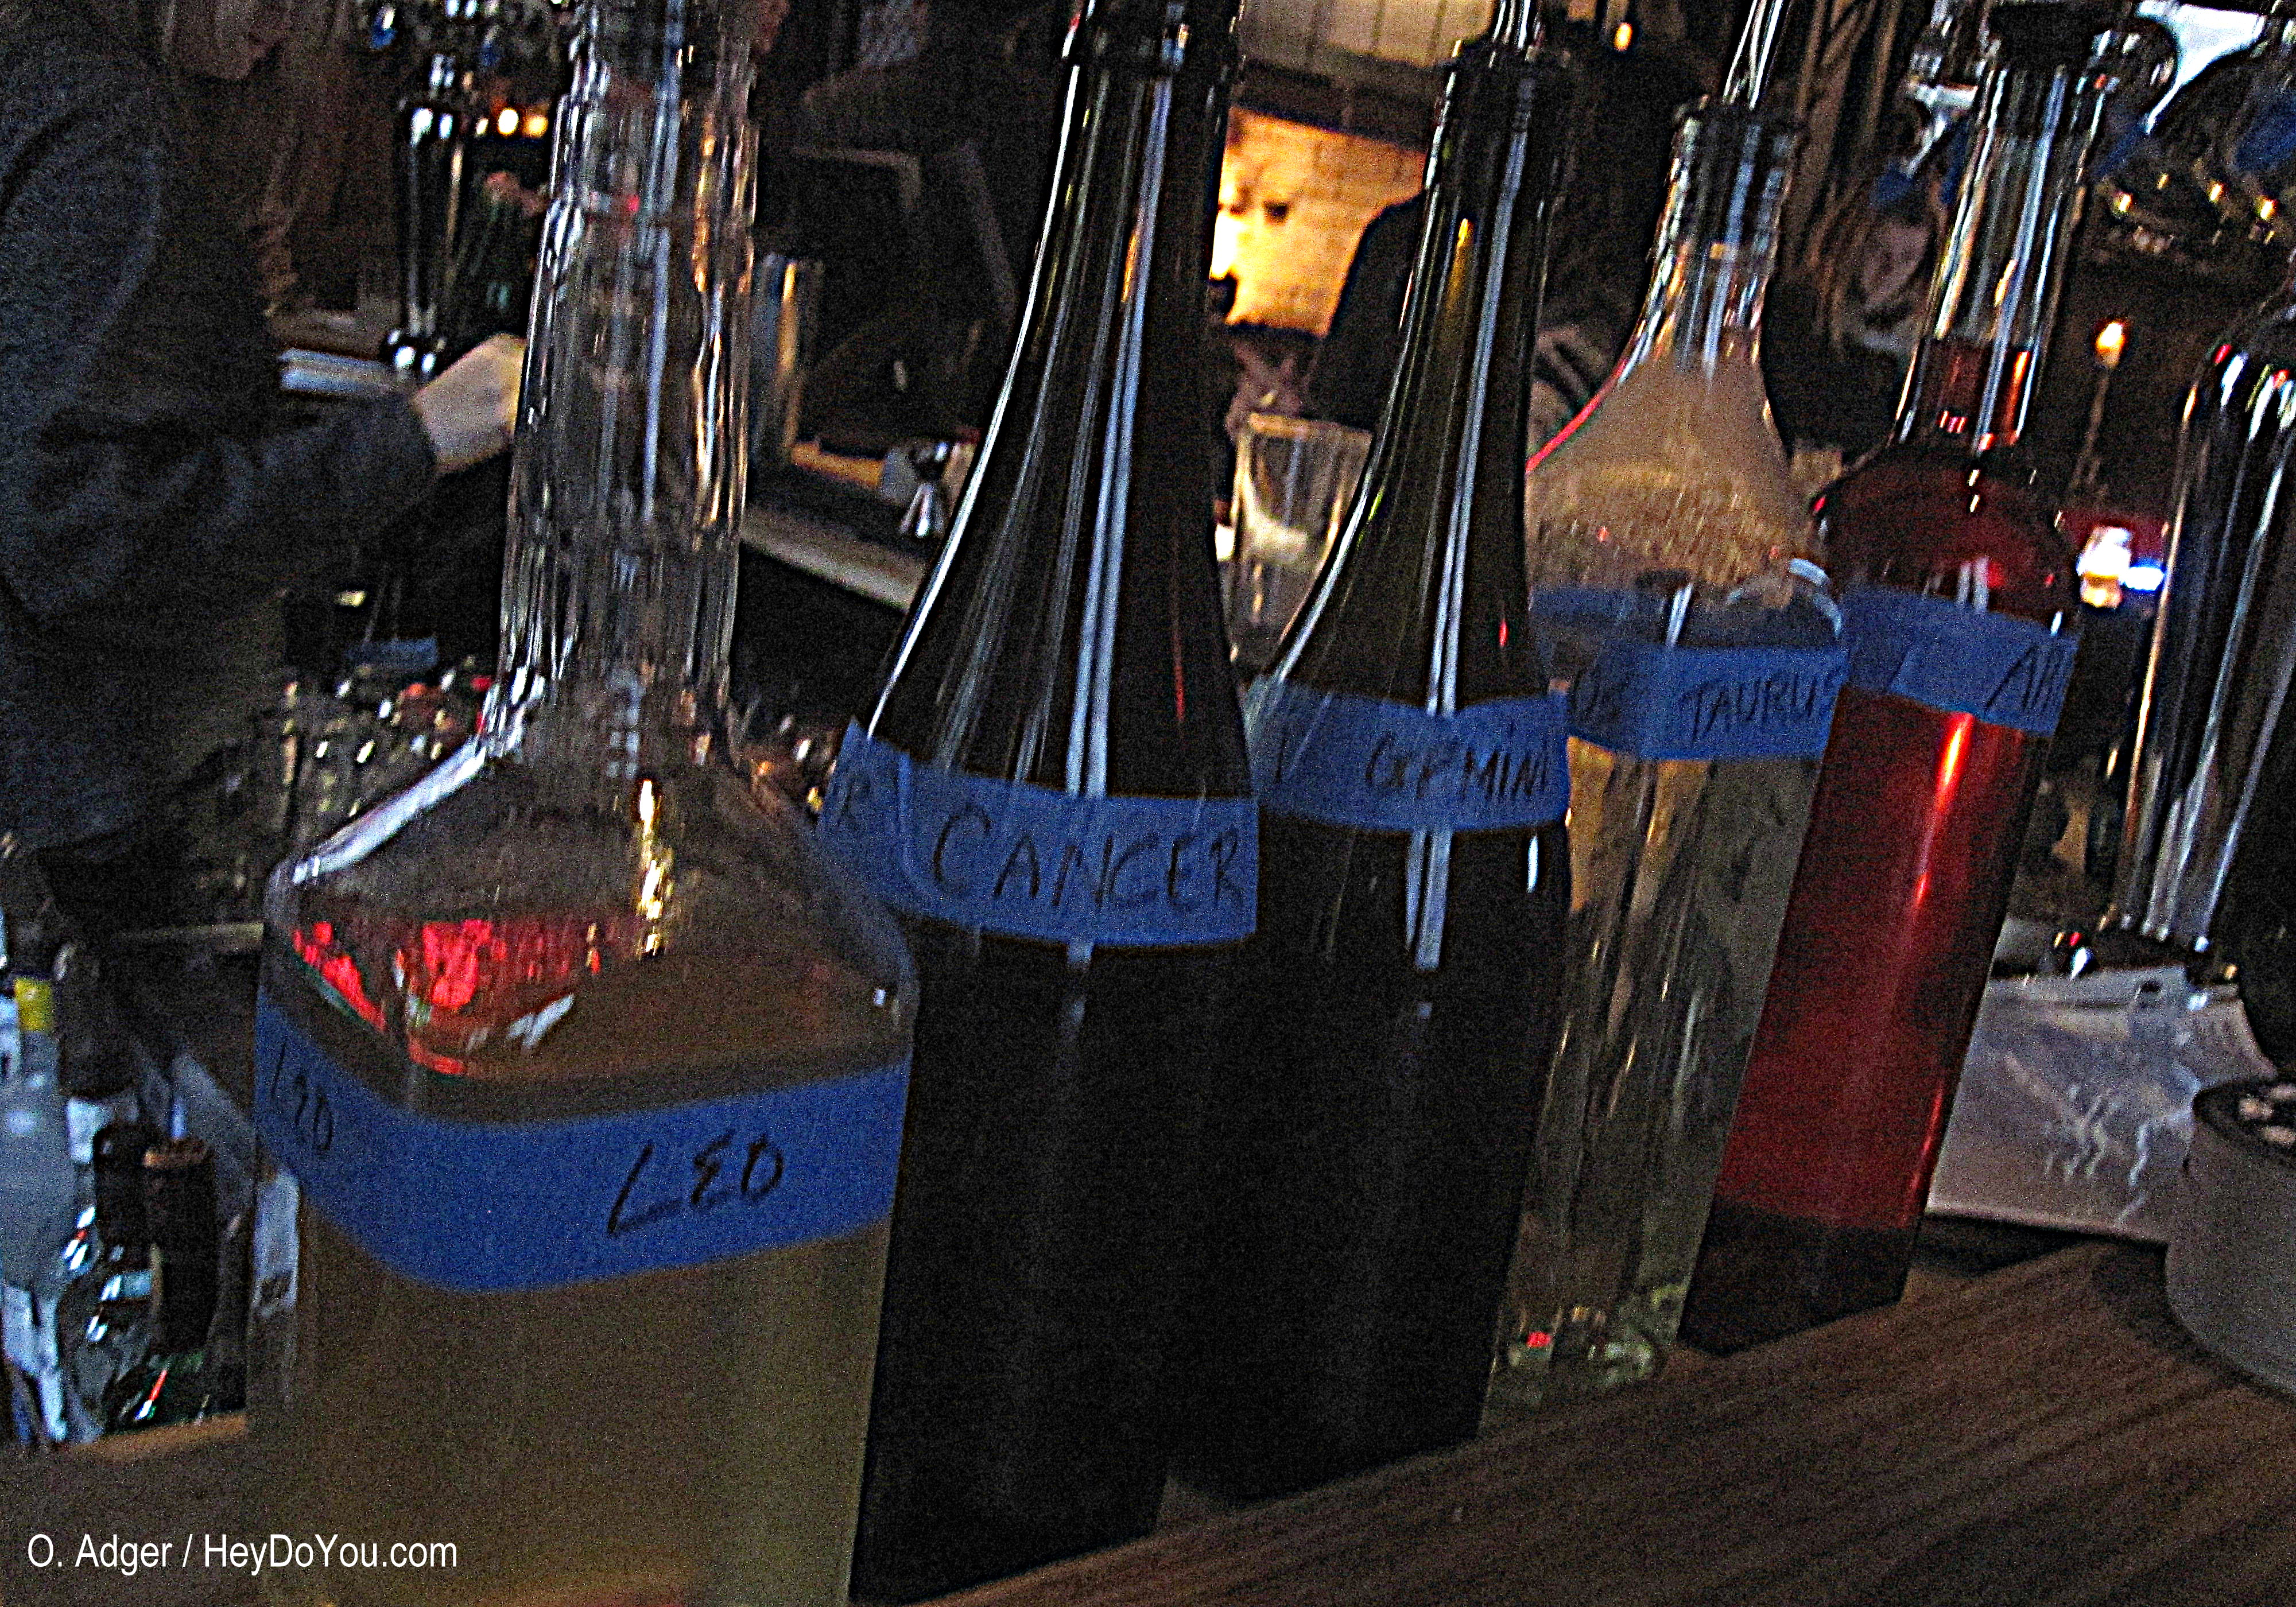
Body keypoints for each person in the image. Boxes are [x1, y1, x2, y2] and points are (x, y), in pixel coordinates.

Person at [0, 0, 522, 925]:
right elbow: (79, 536)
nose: (296, 14)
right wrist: (421, 437)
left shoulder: (50, 73)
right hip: (80, 823)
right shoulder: (100, 119)